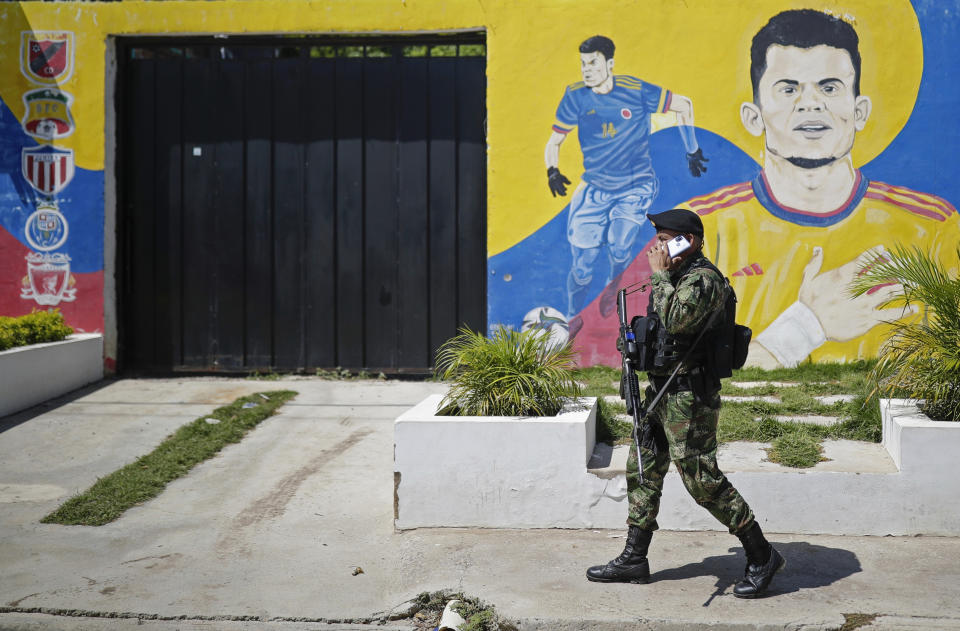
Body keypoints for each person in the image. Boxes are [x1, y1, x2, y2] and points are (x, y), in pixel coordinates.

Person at [690, 9, 958, 367]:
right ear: (753, 117)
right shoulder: (702, 228)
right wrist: (807, 327)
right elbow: (681, 373)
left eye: (830, 87)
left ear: (859, 111)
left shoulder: (932, 228)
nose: (811, 103)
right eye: (788, 89)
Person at [586, 208, 784, 598]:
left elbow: (677, 319)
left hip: (689, 398)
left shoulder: (703, 280)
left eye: (665, 237)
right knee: (642, 470)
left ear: (688, 241)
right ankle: (634, 558)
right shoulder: (676, 278)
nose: (657, 245)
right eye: (658, 237)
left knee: (701, 479)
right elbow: (661, 332)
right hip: (661, 393)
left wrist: (660, 275)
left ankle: (762, 555)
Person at [544, 35, 708, 337]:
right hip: (594, 188)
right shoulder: (575, 96)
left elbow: (684, 105)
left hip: (635, 186)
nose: (587, 69)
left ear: (610, 63)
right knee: (581, 264)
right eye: (583, 64)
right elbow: (554, 140)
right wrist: (552, 169)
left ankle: (613, 281)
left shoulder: (635, 90)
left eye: (593, 63)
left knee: (620, 245)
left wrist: (692, 150)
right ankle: (572, 315)